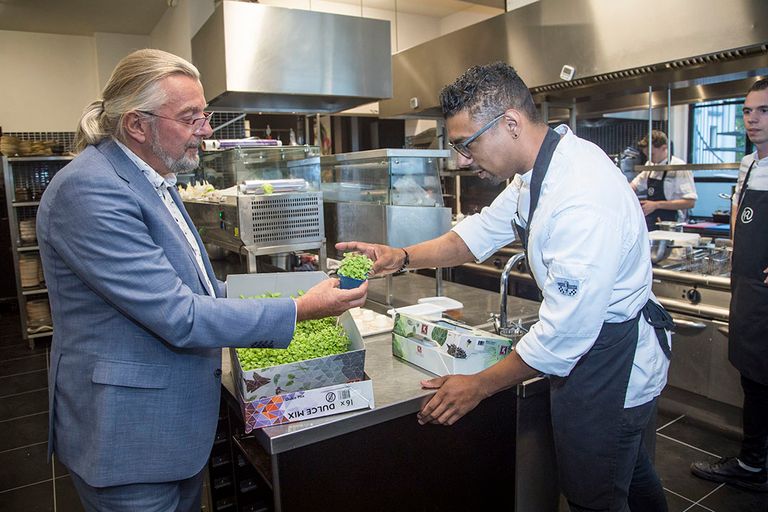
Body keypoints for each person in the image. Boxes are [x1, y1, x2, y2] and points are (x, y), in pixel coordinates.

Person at [36, 49, 367, 511]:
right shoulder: (90, 189)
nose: (206, 131)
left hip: (172, 432)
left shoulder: (155, 178)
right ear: (137, 124)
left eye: (204, 115)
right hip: (130, 438)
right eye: (190, 118)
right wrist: (302, 307)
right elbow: (179, 314)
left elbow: (199, 288)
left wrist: (292, 292)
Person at [338, 62, 673, 512]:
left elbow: (565, 335)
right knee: (628, 475)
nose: (462, 159)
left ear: (510, 124)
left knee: (594, 494)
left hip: (610, 361)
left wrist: (478, 385)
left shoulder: (581, 197)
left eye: (465, 144)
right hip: (590, 355)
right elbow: (471, 236)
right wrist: (401, 257)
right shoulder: (534, 175)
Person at [690, 79, 768, 493]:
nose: (753, 119)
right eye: (747, 111)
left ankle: (755, 465)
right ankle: (754, 460)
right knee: (753, 378)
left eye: (764, 111)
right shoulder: (749, 164)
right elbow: (740, 216)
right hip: (748, 287)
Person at [630, 130, 697, 230]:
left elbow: (690, 202)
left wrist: (656, 205)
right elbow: (634, 185)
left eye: (652, 154)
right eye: (646, 155)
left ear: (664, 148)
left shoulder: (678, 167)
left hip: (671, 224)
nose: (649, 158)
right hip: (652, 222)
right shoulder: (650, 165)